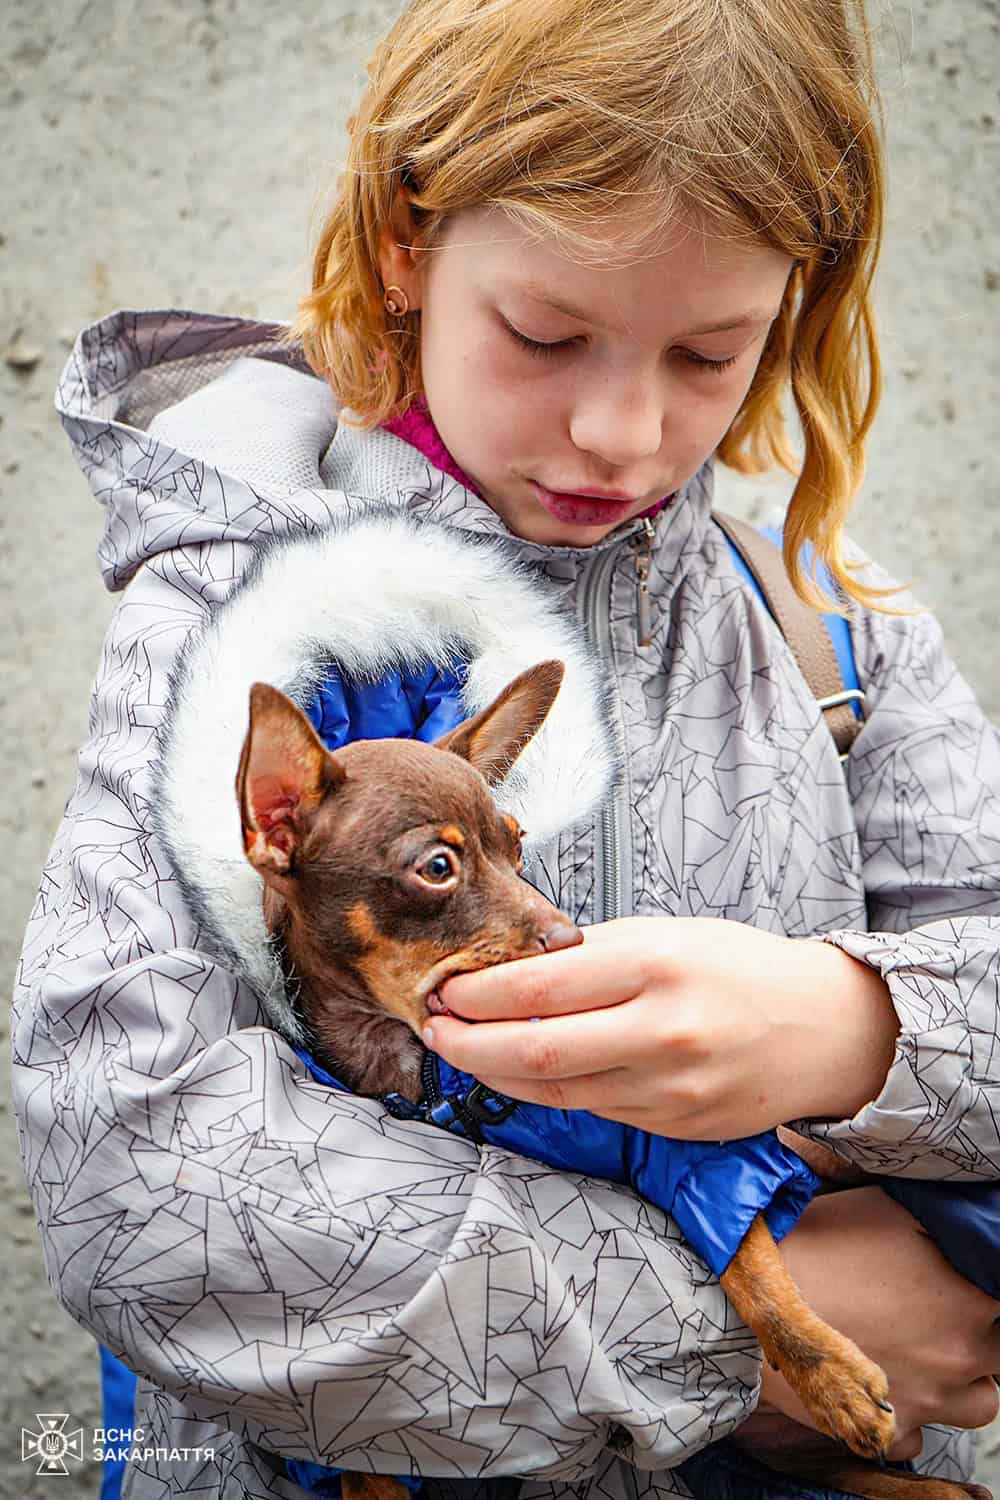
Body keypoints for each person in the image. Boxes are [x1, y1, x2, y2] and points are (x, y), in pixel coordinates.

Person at [12, 0, 1000, 1497]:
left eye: (711, 352)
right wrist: (749, 1333)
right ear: (408, 241)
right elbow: (133, 1188)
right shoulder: (233, 617)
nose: (619, 429)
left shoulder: (837, 639)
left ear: (796, 304)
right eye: (547, 334)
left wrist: (853, 1025)